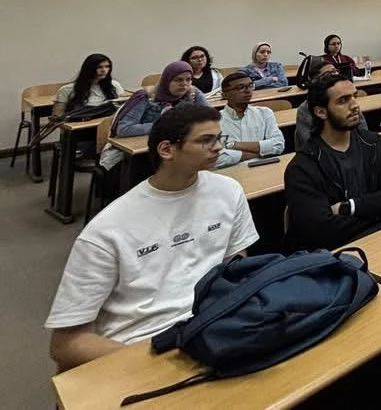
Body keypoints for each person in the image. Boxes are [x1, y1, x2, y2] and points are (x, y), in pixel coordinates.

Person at [45, 104, 258, 371]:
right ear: (166, 150)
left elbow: (235, 265)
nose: (217, 147)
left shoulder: (229, 190)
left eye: (219, 138)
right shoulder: (107, 229)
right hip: (140, 346)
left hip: (212, 327)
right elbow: (66, 344)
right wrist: (152, 367)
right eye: (205, 140)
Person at [284, 75, 381, 251]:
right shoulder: (302, 166)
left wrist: (347, 207)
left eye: (354, 96)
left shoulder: (375, 143)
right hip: (334, 256)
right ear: (321, 112)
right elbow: (320, 229)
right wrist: (377, 212)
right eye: (343, 100)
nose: (355, 105)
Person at [100, 61, 210, 169]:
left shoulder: (193, 93)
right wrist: (164, 126)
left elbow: (210, 118)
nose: (184, 84)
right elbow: (124, 129)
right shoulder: (146, 97)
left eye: (188, 79)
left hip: (175, 148)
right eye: (178, 80)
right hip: (141, 154)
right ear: (167, 80)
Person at [214, 70, 285, 169]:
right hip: (231, 171)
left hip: (263, 168)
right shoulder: (214, 121)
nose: (248, 90)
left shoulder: (264, 113)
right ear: (225, 94)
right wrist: (260, 153)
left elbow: (278, 145)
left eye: (250, 85)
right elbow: (216, 157)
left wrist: (234, 145)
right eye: (240, 87)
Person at [296, 63, 367, 150]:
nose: (335, 75)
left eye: (335, 71)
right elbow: (307, 141)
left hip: (354, 148)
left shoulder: (351, 103)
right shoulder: (304, 109)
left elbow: (363, 130)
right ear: (316, 80)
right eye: (329, 73)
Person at [52, 53, 124, 119]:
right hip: (80, 129)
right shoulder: (67, 89)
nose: (104, 70)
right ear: (89, 69)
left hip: (106, 127)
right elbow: (57, 117)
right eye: (99, 67)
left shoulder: (114, 85)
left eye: (107, 66)